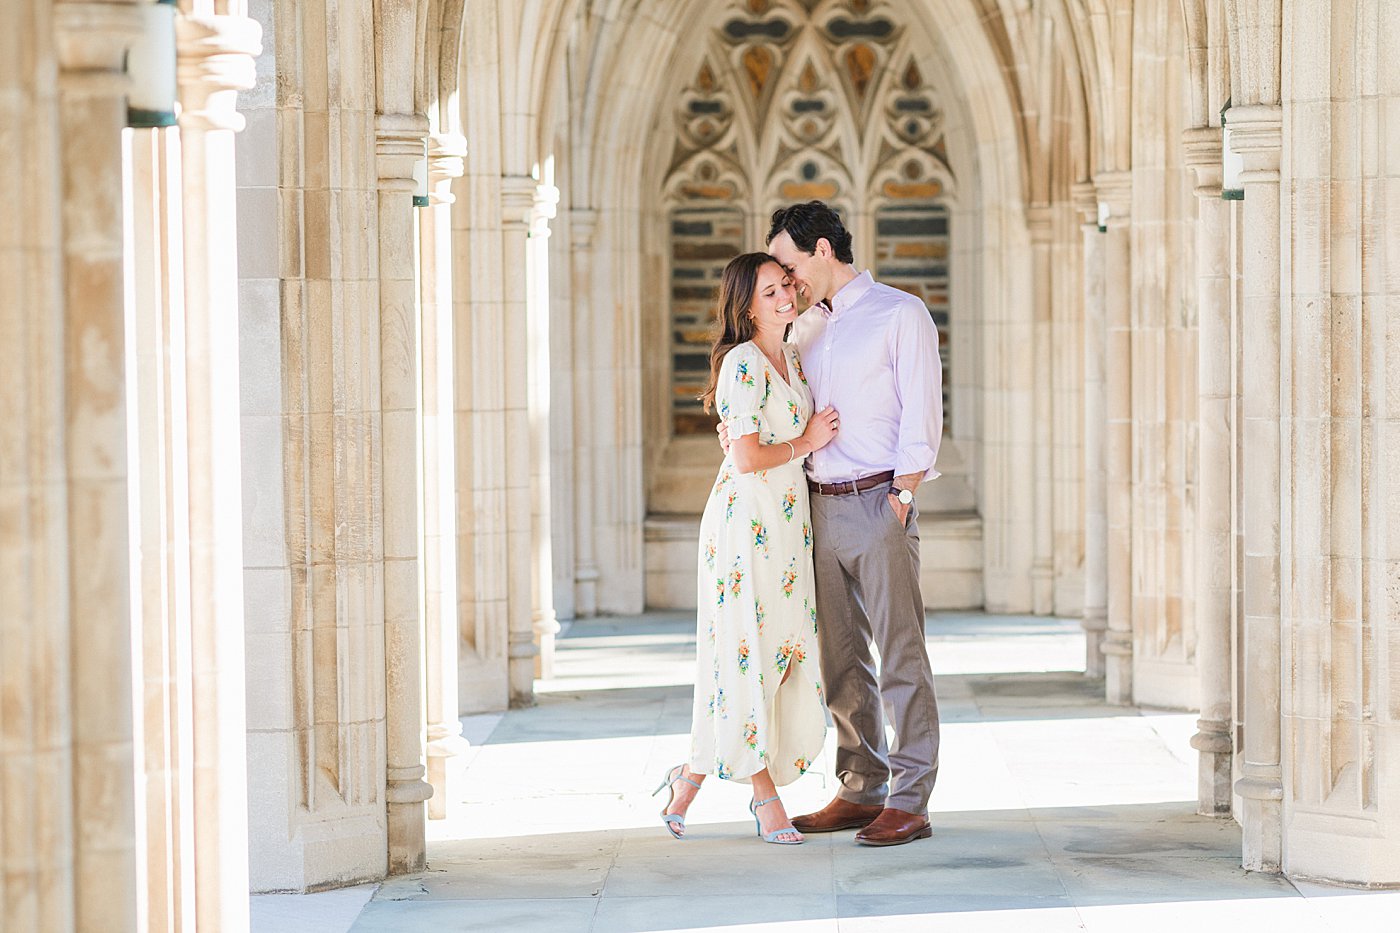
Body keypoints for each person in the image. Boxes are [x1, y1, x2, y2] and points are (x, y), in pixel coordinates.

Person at [765, 200, 944, 847]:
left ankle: (911, 795)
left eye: (788, 266)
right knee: (840, 660)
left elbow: (923, 409)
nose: (786, 283)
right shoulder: (803, 330)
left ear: (820, 250)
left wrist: (903, 493)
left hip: (878, 503)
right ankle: (862, 784)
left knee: (899, 652)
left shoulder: (901, 313)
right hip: (817, 506)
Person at [653, 252, 841, 845]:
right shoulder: (741, 364)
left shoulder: (790, 355)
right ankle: (765, 798)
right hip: (744, 530)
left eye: (786, 284)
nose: (785, 296)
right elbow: (745, 457)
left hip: (788, 527)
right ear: (745, 304)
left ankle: (688, 778)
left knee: (781, 655)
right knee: (747, 656)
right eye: (768, 292)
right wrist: (807, 441)